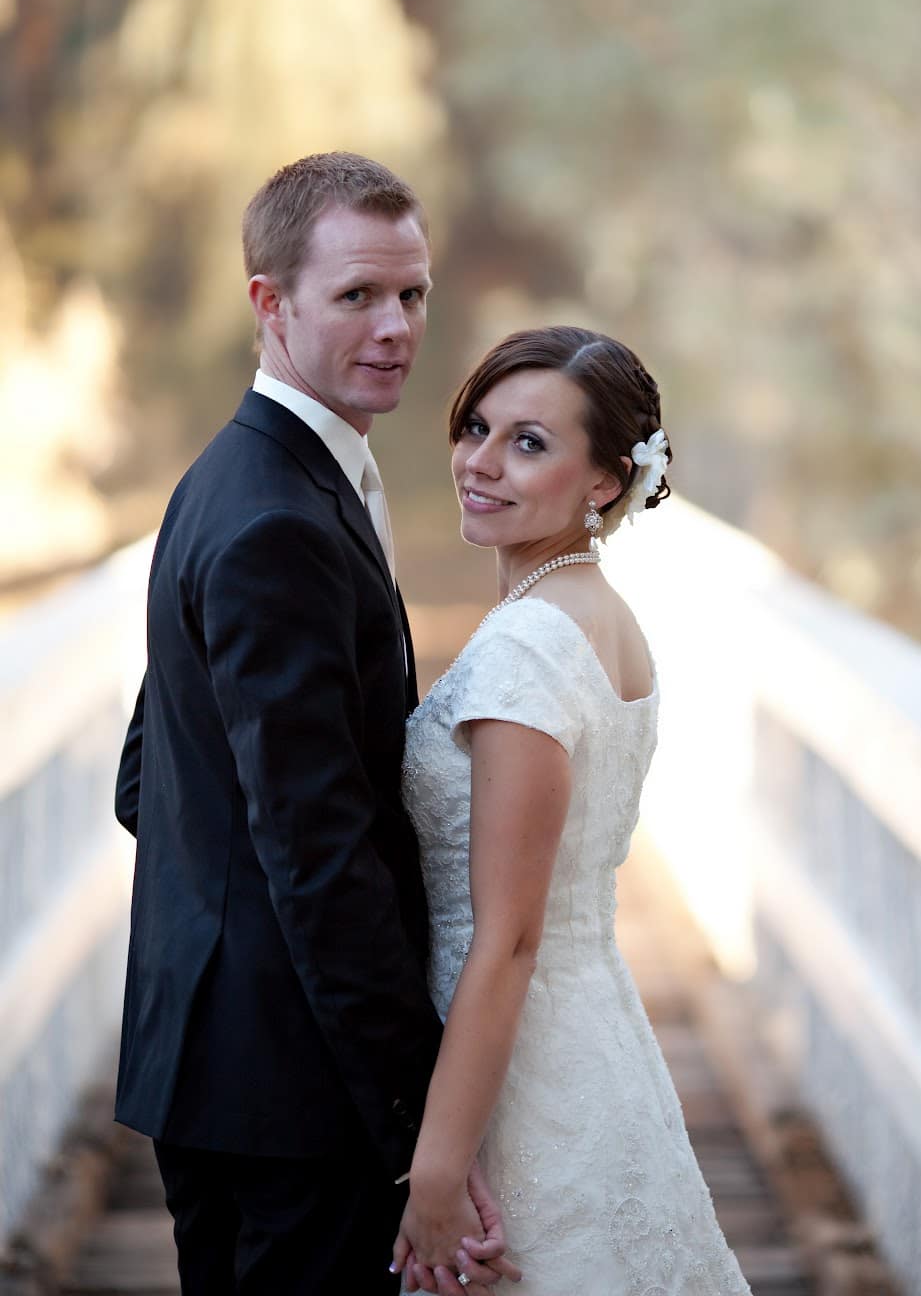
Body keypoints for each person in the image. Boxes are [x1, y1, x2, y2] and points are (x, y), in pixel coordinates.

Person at [114, 152, 516, 1296]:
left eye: (412, 293)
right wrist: (415, 1122)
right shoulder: (272, 524)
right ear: (267, 302)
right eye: (356, 296)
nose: (397, 326)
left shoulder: (233, 477)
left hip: (226, 1065)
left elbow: (147, 780)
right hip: (289, 1096)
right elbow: (316, 853)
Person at [394, 326, 753, 1295]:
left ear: (603, 481)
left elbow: (507, 938)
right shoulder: (606, 617)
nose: (479, 461)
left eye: (528, 443)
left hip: (516, 1078)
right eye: (477, 426)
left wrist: (436, 1166)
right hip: (591, 1028)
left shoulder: (528, 650)